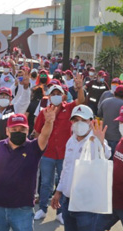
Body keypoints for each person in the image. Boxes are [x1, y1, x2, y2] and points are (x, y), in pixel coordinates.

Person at [48, 105, 110, 231]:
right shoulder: (71, 140)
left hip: (87, 205)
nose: (78, 124)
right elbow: (66, 169)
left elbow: (106, 156)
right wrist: (58, 191)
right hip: (69, 200)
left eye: (83, 120)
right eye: (75, 120)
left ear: (91, 122)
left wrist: (101, 142)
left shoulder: (95, 141)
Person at [33, 78, 86, 221]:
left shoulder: (69, 108)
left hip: (64, 154)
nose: (56, 96)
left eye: (58, 93)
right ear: (49, 96)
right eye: (53, 94)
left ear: (63, 96)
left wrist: (80, 88)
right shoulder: (44, 112)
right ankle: (42, 209)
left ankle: (60, 212)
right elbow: (37, 132)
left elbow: (81, 101)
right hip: (47, 153)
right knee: (46, 183)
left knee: (63, 183)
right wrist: (38, 150)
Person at [98, 84, 123, 157]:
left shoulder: (105, 102)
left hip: (103, 137)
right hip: (117, 138)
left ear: (114, 93)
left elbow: (99, 115)